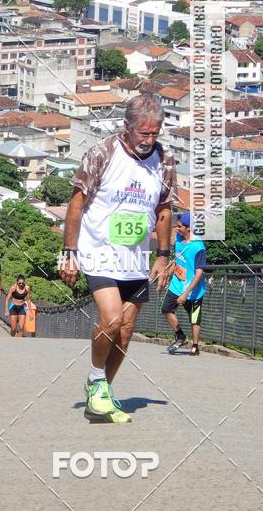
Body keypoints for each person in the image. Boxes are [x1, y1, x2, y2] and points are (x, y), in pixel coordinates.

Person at [60, 94, 177, 423]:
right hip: (98, 252)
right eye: (144, 133)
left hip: (136, 259)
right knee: (111, 319)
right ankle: (96, 379)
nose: (149, 140)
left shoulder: (164, 159)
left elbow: (164, 209)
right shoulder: (103, 153)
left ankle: (102, 393)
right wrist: (69, 252)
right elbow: (76, 204)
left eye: (155, 133)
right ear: (127, 127)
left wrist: (164, 254)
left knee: (125, 331)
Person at [162, 212, 206, 356]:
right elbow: (177, 259)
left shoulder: (199, 247)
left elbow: (199, 273)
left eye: (180, 226)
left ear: (189, 228)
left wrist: (186, 293)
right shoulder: (178, 239)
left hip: (193, 290)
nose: (177, 228)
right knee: (166, 309)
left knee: (194, 318)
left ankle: (195, 345)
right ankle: (180, 336)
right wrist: (167, 274)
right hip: (176, 284)